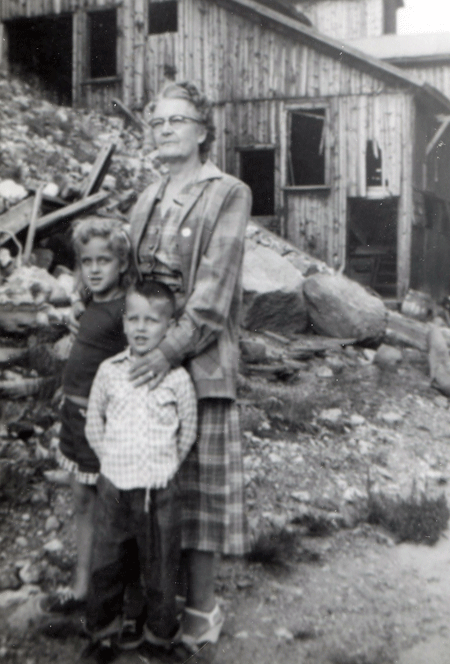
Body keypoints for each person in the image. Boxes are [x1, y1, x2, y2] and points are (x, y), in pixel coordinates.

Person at [128, 80, 252, 652]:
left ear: (203, 130)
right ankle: (158, 603)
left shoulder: (228, 191)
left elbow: (213, 295)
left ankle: (203, 610)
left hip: (197, 364)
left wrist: (165, 353)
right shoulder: (145, 197)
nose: (166, 129)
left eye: (178, 120)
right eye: (158, 122)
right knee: (155, 490)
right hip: (148, 365)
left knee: (198, 497)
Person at [83, 280, 197, 652]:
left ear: (169, 326)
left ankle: (159, 637)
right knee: (107, 563)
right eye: (133, 319)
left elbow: (188, 429)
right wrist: (111, 460)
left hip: (159, 488)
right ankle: (103, 634)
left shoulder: (177, 378)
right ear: (124, 322)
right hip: (114, 486)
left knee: (162, 566)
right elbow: (93, 423)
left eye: (152, 320)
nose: (141, 328)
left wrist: (165, 466)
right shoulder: (109, 371)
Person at [41, 216, 131, 614]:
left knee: (111, 506)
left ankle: (115, 592)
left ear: (122, 264)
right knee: (80, 497)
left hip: (102, 424)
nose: (94, 269)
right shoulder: (92, 302)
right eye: (87, 261)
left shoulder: (127, 310)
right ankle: (81, 584)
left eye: (104, 261)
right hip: (73, 417)